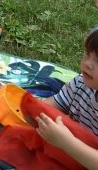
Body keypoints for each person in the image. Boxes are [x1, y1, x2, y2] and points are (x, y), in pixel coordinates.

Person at [37, 25, 98, 168]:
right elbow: (52, 105)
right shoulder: (80, 83)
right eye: (88, 54)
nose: (88, 64)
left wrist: (66, 142)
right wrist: (34, 113)